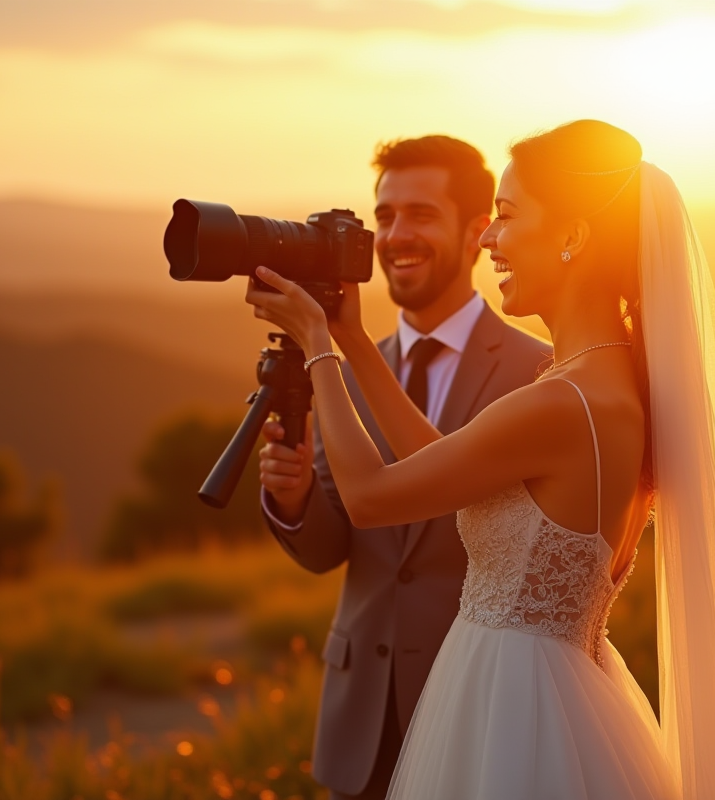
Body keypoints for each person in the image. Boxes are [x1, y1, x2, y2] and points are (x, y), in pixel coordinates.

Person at [249, 120, 715, 799]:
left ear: (572, 237)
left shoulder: (560, 404)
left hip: (510, 707)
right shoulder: (615, 385)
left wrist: (317, 346)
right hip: (563, 691)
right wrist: (357, 344)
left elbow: (369, 496)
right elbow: (450, 470)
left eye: (507, 218)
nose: (488, 240)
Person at [257, 135, 550, 800]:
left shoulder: (539, 375)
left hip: (476, 702)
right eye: (384, 216)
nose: (394, 235)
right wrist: (297, 497)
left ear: (480, 231)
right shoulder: (343, 367)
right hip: (359, 718)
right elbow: (337, 546)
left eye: (420, 214)